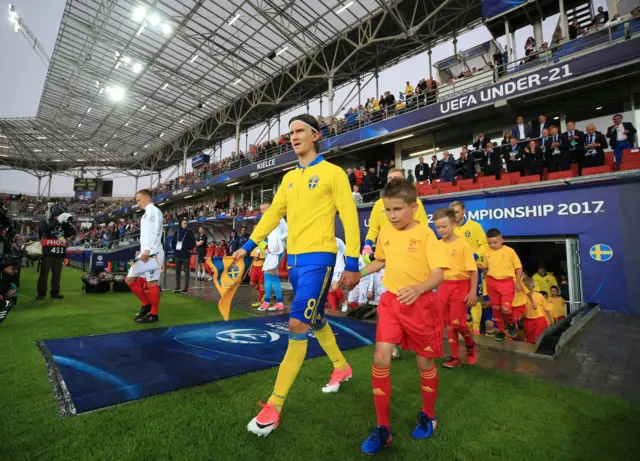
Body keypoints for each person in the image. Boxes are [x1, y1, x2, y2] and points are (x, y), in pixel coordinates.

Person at [233, 114, 360, 437]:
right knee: (315, 319)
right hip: (296, 260)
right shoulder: (289, 178)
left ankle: (274, 406)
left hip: (321, 257)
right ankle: (342, 368)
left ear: (315, 135)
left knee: (297, 322)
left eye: (299, 130)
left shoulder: (333, 174)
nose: (293, 136)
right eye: (290, 132)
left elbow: (349, 215)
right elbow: (273, 215)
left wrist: (354, 262)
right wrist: (247, 246)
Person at [356, 178, 449, 454]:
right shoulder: (385, 229)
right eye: (388, 210)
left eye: (397, 209)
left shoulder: (426, 235)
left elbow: (439, 273)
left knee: (424, 364)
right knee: (380, 357)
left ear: (414, 207)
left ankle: (428, 416)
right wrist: (358, 274)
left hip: (421, 306)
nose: (392, 215)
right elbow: (381, 260)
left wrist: (419, 288)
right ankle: (383, 428)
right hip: (391, 303)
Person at [433, 209, 478, 368]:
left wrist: (473, 291)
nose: (441, 231)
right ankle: (455, 357)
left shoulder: (463, 245)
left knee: (458, 323)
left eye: (444, 227)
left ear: (454, 224)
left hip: (461, 286)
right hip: (444, 287)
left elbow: (473, 271)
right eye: (438, 228)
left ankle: (470, 344)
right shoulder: (437, 245)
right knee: (449, 324)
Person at [362, 168, 430, 257]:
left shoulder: (415, 202)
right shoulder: (379, 204)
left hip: (409, 252)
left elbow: (422, 227)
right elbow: (373, 229)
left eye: (396, 178)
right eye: (390, 178)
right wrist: (367, 245)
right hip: (385, 252)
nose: (392, 181)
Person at [126, 189, 164, 324]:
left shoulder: (155, 211)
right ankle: (146, 304)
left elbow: (156, 230)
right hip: (145, 253)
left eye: (139, 200)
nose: (138, 203)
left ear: (147, 198)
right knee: (129, 280)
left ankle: (154, 314)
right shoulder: (144, 215)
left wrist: (148, 250)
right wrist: (142, 251)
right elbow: (146, 235)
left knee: (152, 282)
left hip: (153, 253)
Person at [450, 200, 488, 335]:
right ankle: (461, 327)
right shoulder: (450, 228)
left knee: (475, 299)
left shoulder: (474, 227)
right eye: (452, 213)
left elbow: (485, 245)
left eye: (457, 212)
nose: (455, 215)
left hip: (473, 269)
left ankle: (476, 329)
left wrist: (475, 255)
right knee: (459, 298)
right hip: (456, 270)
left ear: (464, 211)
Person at [480, 228, 523, 341]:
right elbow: (484, 266)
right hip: (491, 282)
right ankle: (501, 331)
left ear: (502, 240)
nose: (492, 245)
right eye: (490, 243)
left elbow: (518, 268)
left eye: (495, 242)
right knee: (496, 309)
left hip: (506, 282)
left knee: (506, 309)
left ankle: (511, 323)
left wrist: (518, 282)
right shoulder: (486, 252)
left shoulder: (510, 251)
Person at [36, 206, 75, 300]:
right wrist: (56, 221)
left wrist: (64, 223)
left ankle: (55, 292)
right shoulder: (45, 222)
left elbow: (71, 232)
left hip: (59, 253)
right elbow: (45, 230)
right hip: (48, 253)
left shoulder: (64, 224)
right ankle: (41, 293)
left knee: (57, 275)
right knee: (44, 274)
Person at [259, 201, 288, 312]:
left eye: (264, 209)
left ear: (270, 208)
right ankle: (278, 302)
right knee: (271, 276)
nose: (262, 211)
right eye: (261, 209)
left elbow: (287, 231)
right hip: (270, 250)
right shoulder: (265, 220)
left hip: (277, 250)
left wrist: (277, 240)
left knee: (269, 275)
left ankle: (267, 302)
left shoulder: (278, 218)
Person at [522, 277, 553, 344]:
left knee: (537, 337)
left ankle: (541, 351)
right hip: (528, 320)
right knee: (530, 340)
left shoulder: (539, 295)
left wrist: (551, 320)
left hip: (539, 319)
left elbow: (546, 308)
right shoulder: (522, 296)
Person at [171, 219, 196, 293]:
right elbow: (173, 242)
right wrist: (175, 250)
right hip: (178, 255)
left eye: (186, 223)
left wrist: (189, 249)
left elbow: (193, 241)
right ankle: (177, 286)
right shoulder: (177, 232)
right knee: (177, 271)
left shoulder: (189, 232)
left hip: (186, 255)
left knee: (186, 272)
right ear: (180, 224)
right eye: (184, 223)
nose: (186, 224)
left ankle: (186, 288)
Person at [326, 237, 348, 311]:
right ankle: (334, 310)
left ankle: (344, 302)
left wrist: (347, 268)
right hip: (329, 268)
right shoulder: (322, 241)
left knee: (335, 287)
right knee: (330, 290)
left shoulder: (338, 241)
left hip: (339, 267)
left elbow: (346, 254)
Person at [250, 243, 266, 309]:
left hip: (261, 267)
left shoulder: (265, 245)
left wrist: (259, 258)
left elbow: (267, 257)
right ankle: (263, 293)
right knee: (252, 283)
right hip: (254, 267)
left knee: (261, 284)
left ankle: (259, 301)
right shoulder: (254, 247)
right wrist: (250, 269)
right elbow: (253, 259)